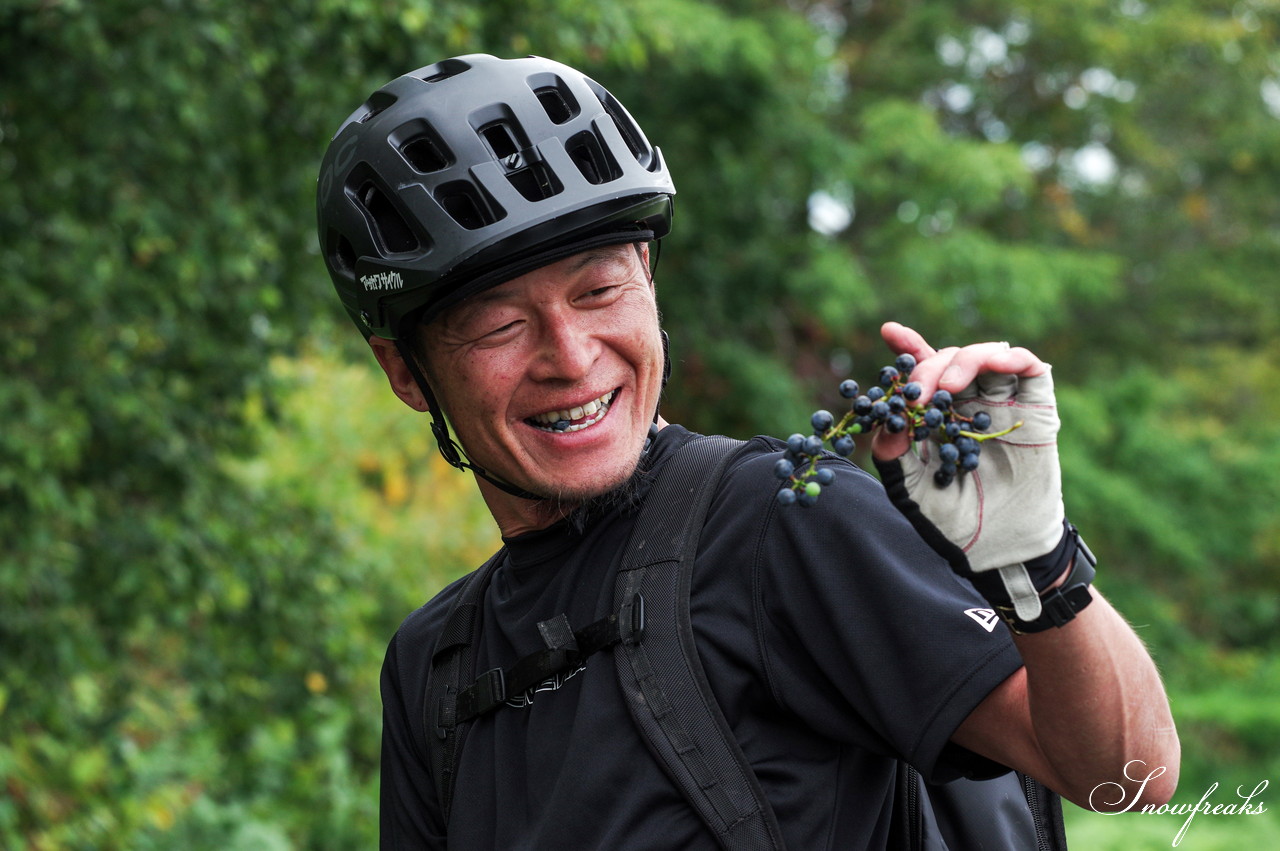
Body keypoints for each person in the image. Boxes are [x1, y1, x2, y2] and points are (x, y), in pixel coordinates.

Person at [316, 54, 1180, 849]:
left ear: (649, 280)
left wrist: (1038, 562)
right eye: (501, 324)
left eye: (600, 289)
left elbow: (1125, 777)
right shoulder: (434, 663)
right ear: (406, 371)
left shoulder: (778, 521)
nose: (572, 357)